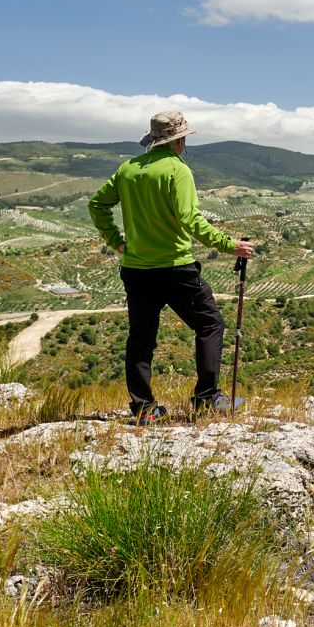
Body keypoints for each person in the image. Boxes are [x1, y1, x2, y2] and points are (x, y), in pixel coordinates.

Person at [87, 110, 257, 422]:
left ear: (154, 139)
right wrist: (230, 245)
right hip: (175, 269)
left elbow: (96, 204)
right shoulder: (178, 171)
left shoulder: (128, 169)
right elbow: (190, 219)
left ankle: (144, 409)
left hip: (136, 269)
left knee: (141, 338)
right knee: (210, 325)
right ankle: (207, 398)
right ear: (179, 140)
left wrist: (117, 242)